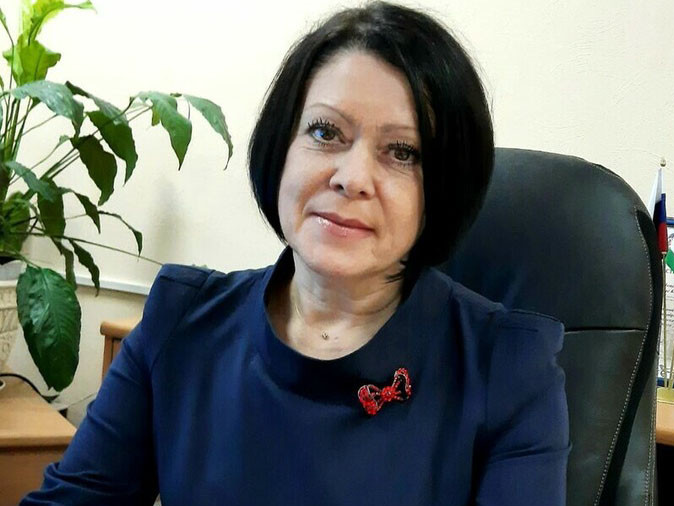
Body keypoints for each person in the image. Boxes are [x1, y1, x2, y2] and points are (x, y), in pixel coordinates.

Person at [21, 2, 571, 505]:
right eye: (326, 132)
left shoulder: (506, 371)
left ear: (445, 186)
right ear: (280, 145)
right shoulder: (181, 323)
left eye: (402, 152)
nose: (352, 177)